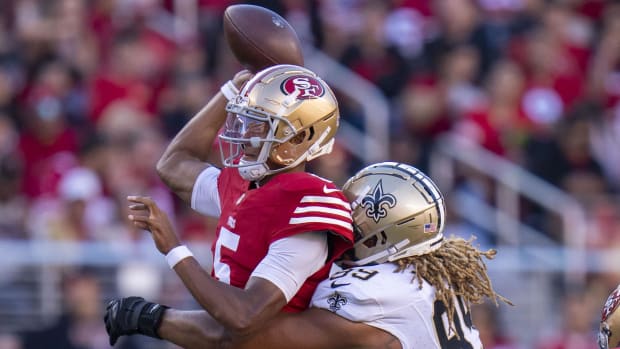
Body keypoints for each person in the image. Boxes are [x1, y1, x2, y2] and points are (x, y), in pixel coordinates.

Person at [106, 162, 511, 348]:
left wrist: (148, 317)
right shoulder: (429, 272)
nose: (342, 219)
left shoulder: (378, 293)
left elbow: (238, 336)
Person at [113, 64, 355, 343]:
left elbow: (243, 317)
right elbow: (173, 164)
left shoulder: (307, 205)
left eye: (261, 122)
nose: (246, 132)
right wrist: (230, 91)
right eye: (247, 118)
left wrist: (174, 248)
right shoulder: (246, 183)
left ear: (300, 137)